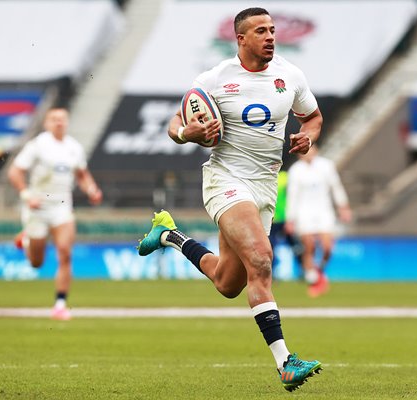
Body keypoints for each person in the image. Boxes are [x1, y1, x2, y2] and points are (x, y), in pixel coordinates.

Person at [138, 7, 323, 392]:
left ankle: (169, 235)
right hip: (226, 180)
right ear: (241, 39)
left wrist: (308, 136)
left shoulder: (290, 75)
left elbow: (313, 117)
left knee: (227, 282)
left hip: (264, 188)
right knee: (261, 258)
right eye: (261, 31)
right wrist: (186, 134)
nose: (270, 36)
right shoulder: (215, 79)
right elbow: (176, 124)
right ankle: (285, 362)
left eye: (272, 30)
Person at [7, 107, 103, 320]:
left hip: (62, 206)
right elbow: (15, 171)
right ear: (46, 123)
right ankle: (26, 242)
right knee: (36, 263)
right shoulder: (38, 145)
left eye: (62, 119)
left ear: (67, 122)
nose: (59, 122)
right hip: (38, 206)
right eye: (54, 119)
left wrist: (91, 189)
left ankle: (60, 304)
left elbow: (82, 174)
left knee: (65, 252)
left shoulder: (74, 147)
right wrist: (26, 195)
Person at [285, 146, 351, 297]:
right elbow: (292, 196)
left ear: (316, 150)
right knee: (309, 246)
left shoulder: (326, 166)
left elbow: (336, 187)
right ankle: (314, 280)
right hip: (304, 212)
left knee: (327, 247)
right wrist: (290, 219)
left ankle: (318, 272)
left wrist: (343, 207)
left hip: (324, 211)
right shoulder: (296, 170)